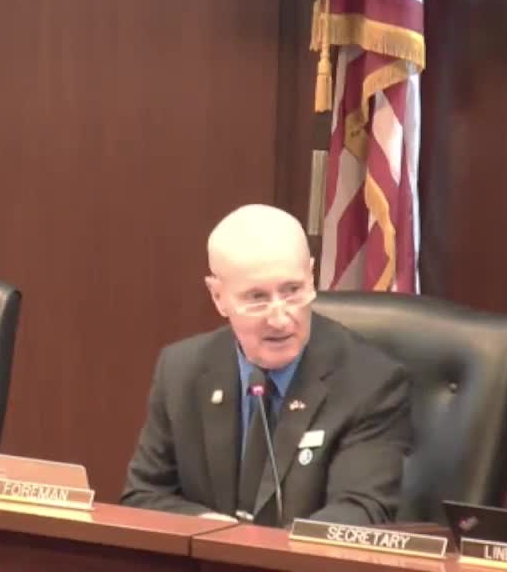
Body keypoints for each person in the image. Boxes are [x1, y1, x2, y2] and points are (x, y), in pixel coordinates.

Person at [121, 203, 412, 526]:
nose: (279, 319)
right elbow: (143, 496)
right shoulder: (181, 370)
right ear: (218, 296)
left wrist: (269, 547)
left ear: (311, 277)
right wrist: (212, 532)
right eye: (257, 298)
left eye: (292, 291)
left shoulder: (369, 381)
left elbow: (361, 512)